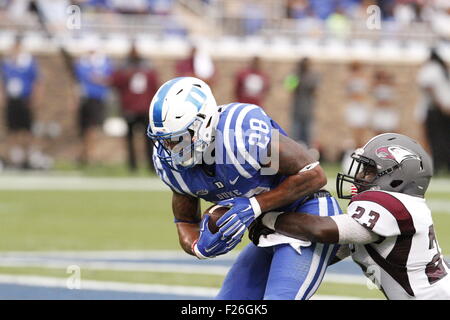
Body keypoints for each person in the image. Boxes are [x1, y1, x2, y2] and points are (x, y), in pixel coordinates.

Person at [147, 77, 342, 300]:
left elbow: (313, 175)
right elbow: (185, 221)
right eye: (165, 141)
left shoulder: (241, 135)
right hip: (267, 228)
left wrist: (255, 205)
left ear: (205, 123)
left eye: (178, 138)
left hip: (308, 214)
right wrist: (198, 246)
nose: (171, 149)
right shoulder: (171, 165)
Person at [252, 133, 450, 300]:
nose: (359, 177)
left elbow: (321, 230)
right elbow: (328, 254)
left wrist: (266, 217)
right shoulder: (401, 210)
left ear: (398, 177)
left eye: (369, 171)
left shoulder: (394, 206)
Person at [110, 44, 159, 172]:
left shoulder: (145, 70)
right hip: (131, 108)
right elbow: (115, 83)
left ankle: (150, 165)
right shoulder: (125, 70)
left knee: (148, 139)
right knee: (131, 138)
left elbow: (154, 87)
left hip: (142, 108)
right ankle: (133, 166)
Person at [0, 35, 41, 169]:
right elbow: (3, 81)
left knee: (27, 129)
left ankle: (28, 157)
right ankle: (15, 157)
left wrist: (34, 98)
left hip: (25, 99)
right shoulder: (7, 62)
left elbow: (37, 81)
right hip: (12, 99)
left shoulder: (29, 62)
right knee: (12, 128)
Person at [73, 44, 113, 166]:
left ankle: (90, 155)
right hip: (85, 98)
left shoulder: (104, 63)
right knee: (84, 128)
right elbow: (81, 78)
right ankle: (85, 154)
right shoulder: (82, 63)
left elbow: (108, 79)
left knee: (93, 128)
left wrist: (97, 78)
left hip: (97, 99)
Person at [416, 48, 450, 174]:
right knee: (441, 139)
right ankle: (442, 165)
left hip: (437, 110)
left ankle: (440, 165)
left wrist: (440, 104)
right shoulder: (439, 69)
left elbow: (429, 86)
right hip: (439, 109)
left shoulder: (432, 68)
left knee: (437, 139)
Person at [287, 57, 319, 147]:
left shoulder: (312, 76)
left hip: (308, 109)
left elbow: (315, 91)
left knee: (309, 134)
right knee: (295, 134)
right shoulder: (295, 75)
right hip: (297, 109)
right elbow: (290, 88)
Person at [345, 61, 370, 149]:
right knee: (355, 130)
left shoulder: (363, 78)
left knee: (361, 130)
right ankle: (356, 148)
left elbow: (366, 91)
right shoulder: (349, 78)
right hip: (354, 106)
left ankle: (360, 148)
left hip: (361, 106)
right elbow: (348, 93)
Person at [371, 70, 398, 136]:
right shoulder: (376, 87)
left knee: (391, 131)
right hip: (379, 111)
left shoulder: (390, 87)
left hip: (388, 111)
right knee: (378, 131)